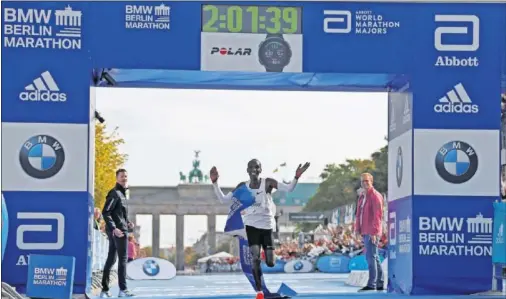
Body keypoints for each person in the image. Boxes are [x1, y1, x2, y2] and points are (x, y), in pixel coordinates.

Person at [210, 159, 310, 299]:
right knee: (248, 265)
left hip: (265, 226)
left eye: (257, 167)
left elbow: (288, 189)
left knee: (269, 262)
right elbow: (224, 199)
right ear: (247, 170)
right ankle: (263, 292)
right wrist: (215, 183)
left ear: (260, 169)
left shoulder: (268, 183)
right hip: (247, 229)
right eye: (251, 167)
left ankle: (264, 289)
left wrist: (296, 177)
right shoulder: (242, 187)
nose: (254, 170)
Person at [100, 169, 135, 298]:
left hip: (120, 229)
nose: (124, 178)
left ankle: (104, 290)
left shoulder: (122, 194)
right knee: (122, 260)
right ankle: (123, 289)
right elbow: (106, 212)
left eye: (125, 176)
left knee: (112, 259)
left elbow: (119, 214)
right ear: (116, 178)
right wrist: (115, 228)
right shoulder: (114, 193)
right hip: (118, 232)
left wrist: (128, 222)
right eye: (121, 176)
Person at [354, 173, 384, 292]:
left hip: (372, 232)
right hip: (365, 230)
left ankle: (372, 284)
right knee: (374, 257)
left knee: (370, 257)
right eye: (362, 181)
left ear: (372, 181)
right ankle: (380, 282)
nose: (364, 183)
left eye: (367, 181)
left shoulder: (375, 196)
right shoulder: (362, 197)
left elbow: (378, 216)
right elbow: (358, 214)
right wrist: (357, 229)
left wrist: (374, 232)